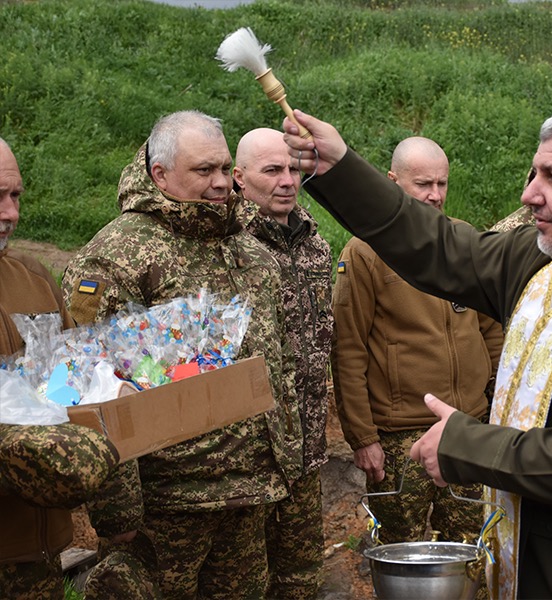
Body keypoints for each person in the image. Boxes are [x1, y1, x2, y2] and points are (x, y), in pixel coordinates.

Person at [282, 106, 552, 599]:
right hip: (534, 563)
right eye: (534, 173)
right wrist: (340, 168)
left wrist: (466, 445)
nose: (529, 193)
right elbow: (437, 246)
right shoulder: (543, 263)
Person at [62, 111, 301, 599]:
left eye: (224, 168)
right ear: (161, 174)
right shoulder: (117, 256)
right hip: (164, 504)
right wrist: (118, 511)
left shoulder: (250, 252)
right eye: (203, 170)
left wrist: (285, 462)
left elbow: (280, 364)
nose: (221, 183)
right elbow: (87, 383)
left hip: (248, 493)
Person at [330, 136, 503, 556]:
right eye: (423, 184)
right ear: (393, 182)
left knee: (472, 549)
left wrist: (499, 405)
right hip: (400, 439)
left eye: (442, 183)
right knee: (401, 553)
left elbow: (491, 331)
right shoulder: (365, 253)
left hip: (467, 429)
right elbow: (348, 349)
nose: (435, 195)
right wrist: (362, 438)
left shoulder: (463, 240)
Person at [0, 137, 120, 599]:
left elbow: (74, 383)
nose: (10, 213)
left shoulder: (32, 277)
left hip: (37, 555)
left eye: (16, 196)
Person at [233, 127, 334, 599]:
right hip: (249, 456)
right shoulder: (228, 246)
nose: (288, 181)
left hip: (307, 448)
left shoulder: (315, 244)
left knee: (301, 578)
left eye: (293, 169)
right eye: (272, 170)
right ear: (239, 177)